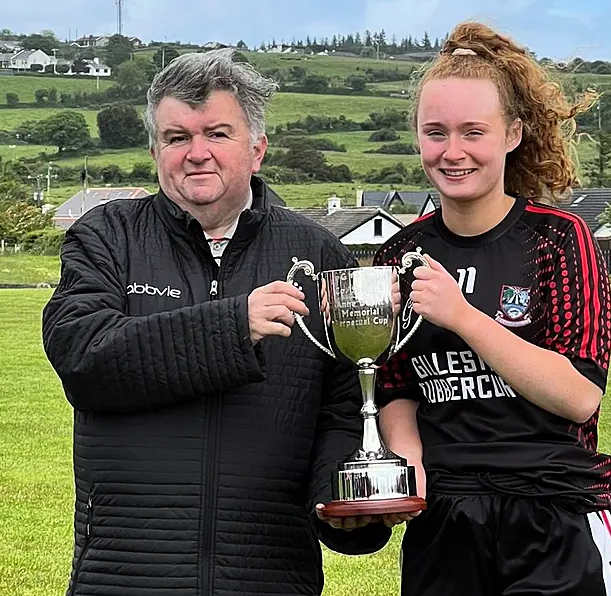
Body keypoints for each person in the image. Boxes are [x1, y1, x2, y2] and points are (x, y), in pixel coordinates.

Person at [42, 48, 391, 596]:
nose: (196, 153)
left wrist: (340, 499)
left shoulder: (317, 253)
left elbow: (343, 406)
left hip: (269, 577)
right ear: (155, 150)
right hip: (125, 575)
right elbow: (84, 359)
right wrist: (234, 325)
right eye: (177, 137)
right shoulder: (107, 235)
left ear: (257, 149)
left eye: (218, 134)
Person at [373, 22, 611, 596]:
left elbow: (579, 394)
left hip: (553, 509)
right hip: (445, 515)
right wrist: (408, 458)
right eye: (435, 132)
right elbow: (393, 384)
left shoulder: (559, 239)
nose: (453, 151)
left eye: (474, 132)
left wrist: (464, 315)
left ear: (513, 133)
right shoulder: (398, 253)